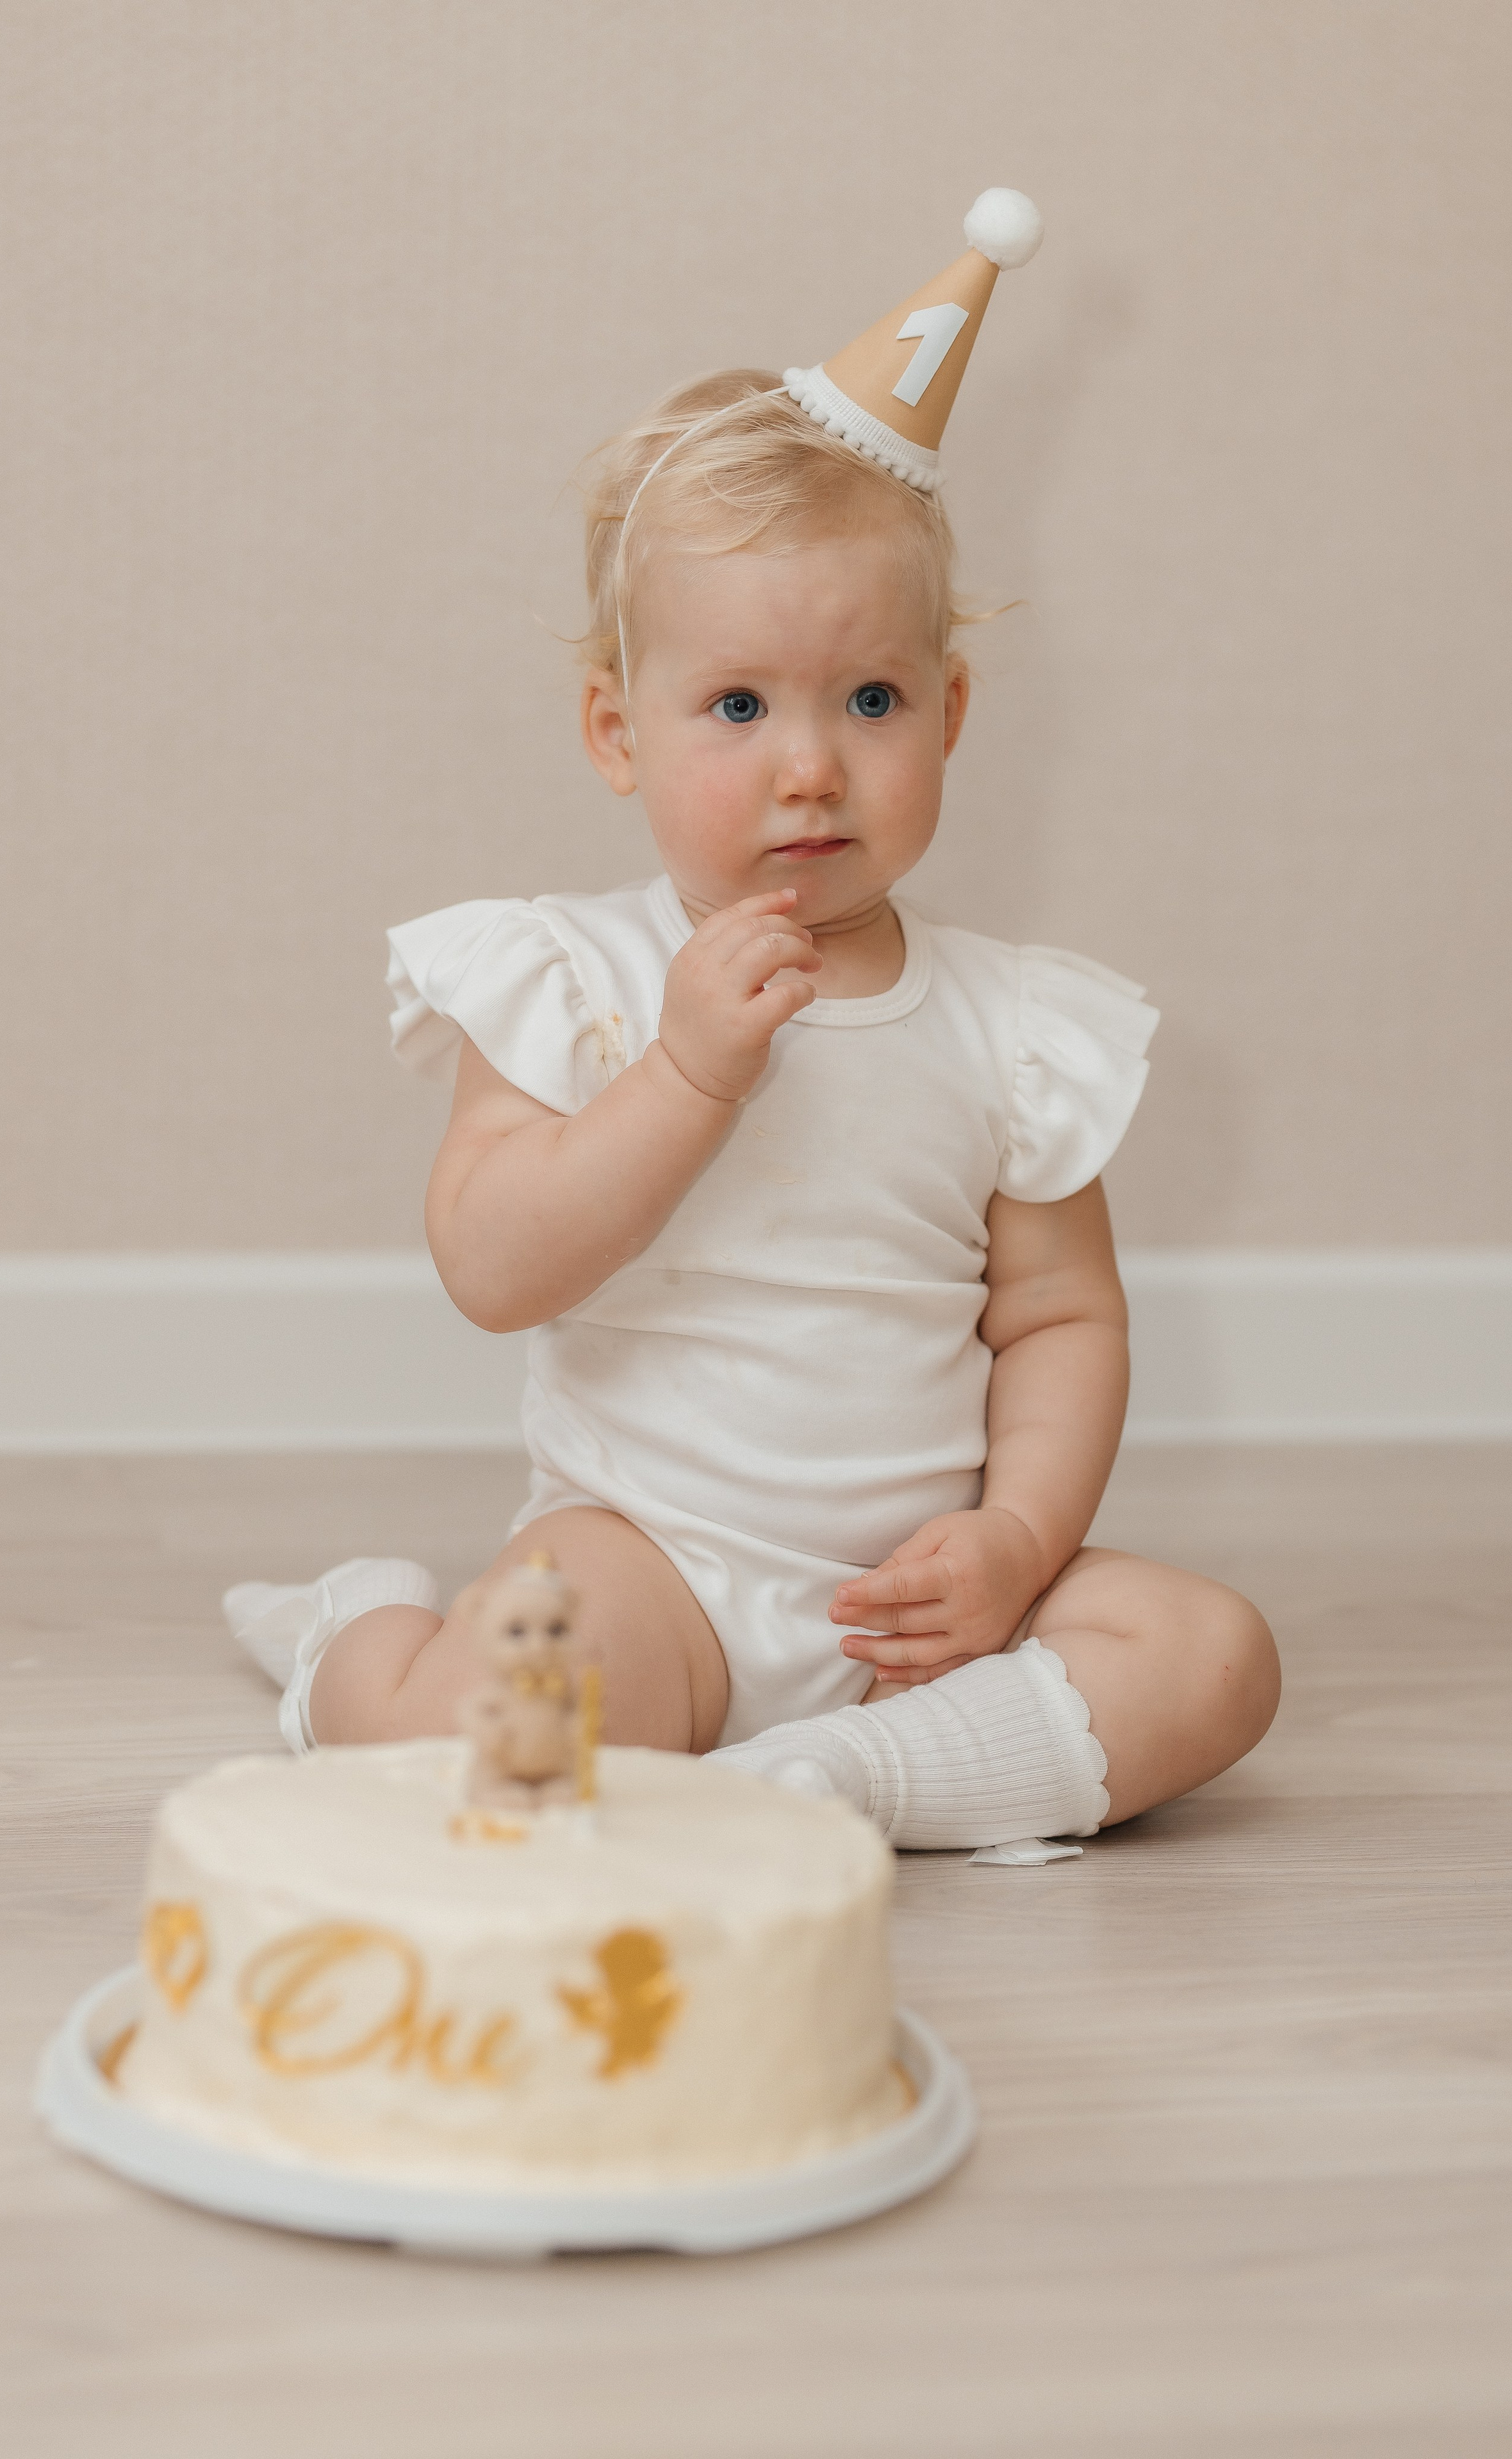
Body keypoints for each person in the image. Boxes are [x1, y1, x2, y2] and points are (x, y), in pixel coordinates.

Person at [227, 210, 1279, 1860]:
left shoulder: (1010, 1023)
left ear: (948, 714)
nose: (809, 766)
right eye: (736, 706)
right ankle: (353, 1645)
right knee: (472, 1744)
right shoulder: (566, 977)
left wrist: (1010, 1540)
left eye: (868, 701)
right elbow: (495, 1266)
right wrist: (684, 1071)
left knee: (1211, 1656)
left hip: (916, 1601)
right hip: (654, 1572)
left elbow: (1064, 1318)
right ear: (613, 732)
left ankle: (858, 1774)